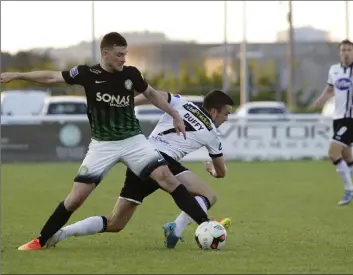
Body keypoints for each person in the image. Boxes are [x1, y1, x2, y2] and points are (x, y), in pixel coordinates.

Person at [0, 32, 211, 250]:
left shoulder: (131, 74)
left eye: (125, 54)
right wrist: (18, 75)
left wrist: (175, 115)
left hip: (133, 141)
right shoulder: (86, 73)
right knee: (76, 198)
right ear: (105, 53)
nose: (123, 59)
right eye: (119, 55)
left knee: (166, 178)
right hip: (102, 145)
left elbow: (151, 94)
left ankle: (205, 225)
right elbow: (52, 77)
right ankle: (41, 240)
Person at [44, 90, 233, 249]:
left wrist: (127, 105)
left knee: (115, 223)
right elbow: (222, 172)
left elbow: (152, 93)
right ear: (214, 112)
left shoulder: (181, 102)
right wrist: (213, 172)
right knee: (209, 195)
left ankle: (61, 234)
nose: (227, 119)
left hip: (141, 158)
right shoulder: (211, 134)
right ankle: (177, 228)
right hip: (162, 162)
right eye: (226, 114)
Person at [313, 39, 353, 205]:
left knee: (333, 153)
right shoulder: (334, 70)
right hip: (337, 118)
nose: (346, 52)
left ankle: (349, 189)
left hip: (351, 119)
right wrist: (321, 99)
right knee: (347, 156)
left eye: (349, 50)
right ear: (340, 52)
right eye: (343, 50)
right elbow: (331, 89)